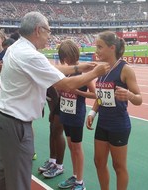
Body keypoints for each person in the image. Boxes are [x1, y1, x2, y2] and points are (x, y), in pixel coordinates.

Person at [0, 11, 110, 190]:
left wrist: (78, 67)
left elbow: (50, 69)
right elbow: (66, 84)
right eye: (48, 31)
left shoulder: (16, 48)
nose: (50, 35)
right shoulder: (31, 55)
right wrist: (95, 73)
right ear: (38, 30)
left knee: (3, 170)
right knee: (18, 178)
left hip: (4, 118)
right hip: (15, 123)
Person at [86, 31, 142, 190]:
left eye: (99, 47)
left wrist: (130, 95)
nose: (96, 50)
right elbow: (101, 96)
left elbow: (139, 99)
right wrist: (92, 112)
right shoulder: (101, 69)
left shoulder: (125, 70)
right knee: (99, 162)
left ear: (112, 48)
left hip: (119, 125)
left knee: (119, 166)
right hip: (103, 124)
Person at [57, 40, 96, 190]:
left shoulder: (83, 72)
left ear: (73, 55)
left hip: (77, 114)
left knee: (77, 147)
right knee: (70, 146)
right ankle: (74, 176)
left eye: (66, 57)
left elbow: (95, 95)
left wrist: (77, 92)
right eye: (63, 57)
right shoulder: (65, 70)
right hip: (65, 112)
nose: (65, 60)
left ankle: (80, 182)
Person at [39, 87, 66, 178]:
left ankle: (59, 166)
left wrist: (52, 113)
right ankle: (52, 161)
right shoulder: (41, 82)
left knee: (57, 131)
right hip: (54, 107)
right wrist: (42, 107)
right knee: (52, 129)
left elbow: (56, 98)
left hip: (61, 106)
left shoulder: (51, 86)